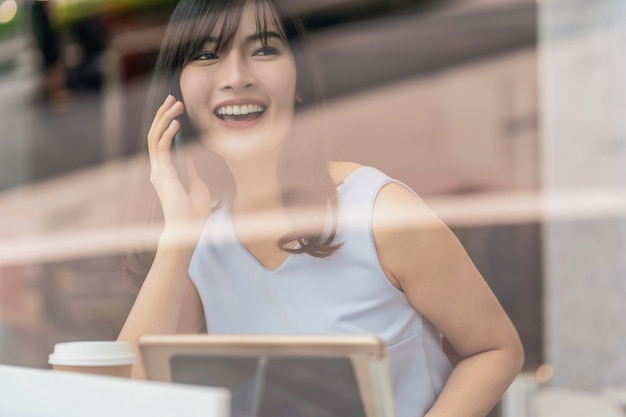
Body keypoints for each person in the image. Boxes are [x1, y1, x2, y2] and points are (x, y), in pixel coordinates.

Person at [118, 1, 524, 416]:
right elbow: (121, 396)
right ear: (177, 93)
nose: (236, 77)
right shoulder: (200, 236)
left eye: (263, 50)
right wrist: (176, 242)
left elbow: (494, 349)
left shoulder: (380, 213)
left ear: (298, 80)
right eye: (206, 54)